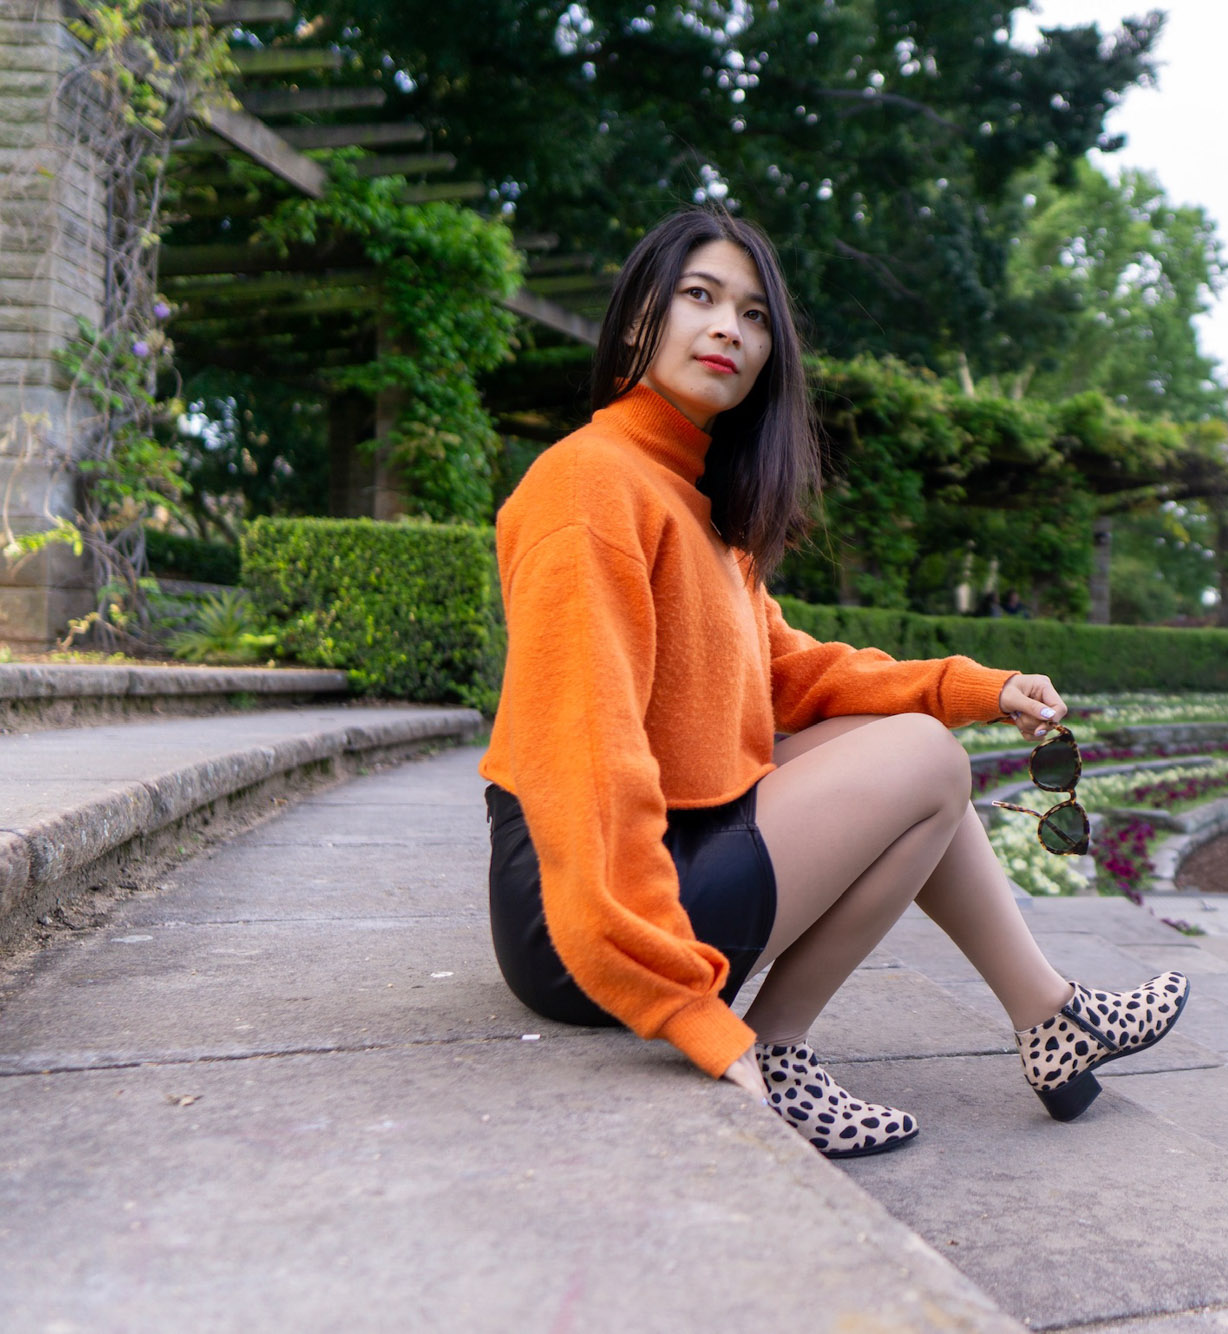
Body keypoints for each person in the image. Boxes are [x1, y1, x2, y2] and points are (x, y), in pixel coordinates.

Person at [479, 207, 1190, 1159]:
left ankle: (1050, 1020)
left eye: (754, 313)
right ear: (639, 318)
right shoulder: (588, 485)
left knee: (912, 757)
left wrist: (976, 686)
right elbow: (584, 756)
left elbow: (790, 674)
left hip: (661, 857)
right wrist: (682, 1005)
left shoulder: (697, 503)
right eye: (699, 297)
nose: (729, 327)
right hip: (582, 920)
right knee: (925, 767)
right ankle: (778, 1053)